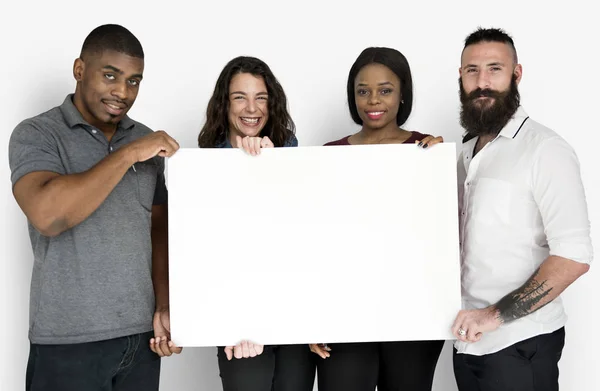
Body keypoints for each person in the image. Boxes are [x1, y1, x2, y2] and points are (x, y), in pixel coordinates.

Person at [8, 24, 182, 391]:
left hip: (140, 341)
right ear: (79, 70)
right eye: (110, 76)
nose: (122, 92)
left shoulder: (143, 137)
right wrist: (129, 154)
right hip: (67, 342)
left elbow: (158, 230)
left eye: (134, 81)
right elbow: (48, 215)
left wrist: (164, 306)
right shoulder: (37, 134)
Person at [451, 27, 592, 391]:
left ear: (517, 74)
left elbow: (574, 257)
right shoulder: (464, 153)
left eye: (495, 69)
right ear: (461, 77)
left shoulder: (545, 149)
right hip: (467, 343)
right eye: (472, 70)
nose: (482, 82)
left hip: (521, 343)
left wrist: (494, 315)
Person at [309, 47, 444, 391]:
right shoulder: (330, 155)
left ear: (402, 96)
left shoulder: (426, 152)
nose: (373, 100)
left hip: (413, 311)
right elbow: (315, 243)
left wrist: (439, 168)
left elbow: (440, 234)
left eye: (385, 90)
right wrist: (311, 315)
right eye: (362, 91)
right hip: (345, 311)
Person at [197, 55, 316, 391]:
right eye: (240, 97)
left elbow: (304, 238)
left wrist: (271, 168)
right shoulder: (202, 168)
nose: (252, 108)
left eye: (260, 97)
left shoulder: (290, 153)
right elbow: (209, 253)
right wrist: (236, 322)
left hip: (293, 319)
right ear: (224, 104)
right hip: (239, 327)